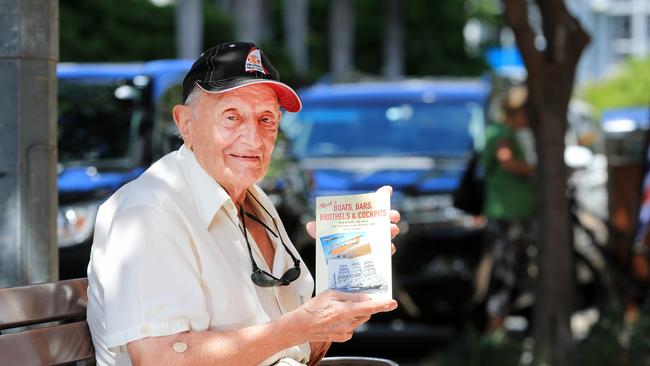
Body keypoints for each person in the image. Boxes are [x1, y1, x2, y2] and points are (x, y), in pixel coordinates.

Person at [86, 42, 399, 366]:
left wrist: (346, 291)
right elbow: (160, 359)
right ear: (185, 124)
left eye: (266, 119)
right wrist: (300, 326)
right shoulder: (149, 211)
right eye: (232, 117)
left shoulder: (253, 200)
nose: (253, 139)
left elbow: (301, 349)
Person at [481, 85, 536, 333]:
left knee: (512, 272)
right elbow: (506, 160)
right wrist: (533, 169)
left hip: (512, 212)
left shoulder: (501, 131)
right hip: (507, 214)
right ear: (515, 112)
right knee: (505, 274)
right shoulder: (502, 132)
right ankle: (495, 335)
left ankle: (499, 331)